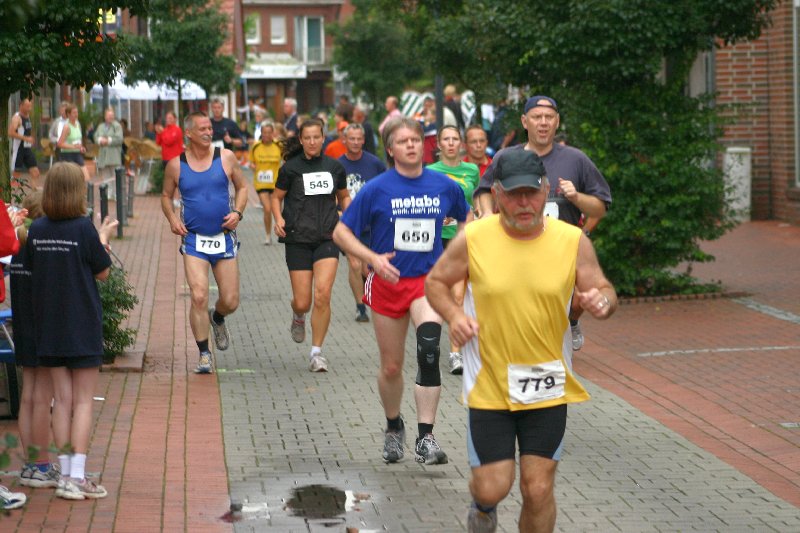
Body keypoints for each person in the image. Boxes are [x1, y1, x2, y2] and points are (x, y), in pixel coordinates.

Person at [425, 148, 618, 532]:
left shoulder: (572, 240)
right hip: (490, 384)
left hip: (547, 383)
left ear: (547, 190)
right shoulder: (474, 237)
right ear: (497, 194)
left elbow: (604, 289)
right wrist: (455, 316)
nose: (524, 202)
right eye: (514, 194)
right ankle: (483, 505)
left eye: (532, 192)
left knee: (538, 488)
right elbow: (436, 283)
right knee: (493, 486)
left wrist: (602, 302)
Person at [333, 117, 469, 465]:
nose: (410, 145)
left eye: (415, 139)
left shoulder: (444, 185)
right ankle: (394, 426)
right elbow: (341, 233)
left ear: (422, 145)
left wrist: (455, 257)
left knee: (429, 350)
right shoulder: (376, 189)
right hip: (389, 283)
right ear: (391, 150)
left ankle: (426, 437)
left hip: (428, 282)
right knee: (392, 367)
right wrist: (372, 258)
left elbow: (466, 220)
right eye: (402, 141)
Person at [474, 95, 612, 352]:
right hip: (516, 247)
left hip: (562, 251)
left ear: (557, 122)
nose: (543, 122)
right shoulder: (506, 157)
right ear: (524, 121)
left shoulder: (576, 159)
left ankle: (572, 320)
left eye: (549, 117)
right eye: (537, 117)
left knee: (578, 297)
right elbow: (483, 190)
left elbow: (600, 207)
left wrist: (577, 197)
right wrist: (486, 215)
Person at [26, 162, 118, 500]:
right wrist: (103, 239)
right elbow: (103, 273)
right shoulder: (83, 228)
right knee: (83, 401)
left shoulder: (37, 229)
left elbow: (33, 268)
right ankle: (77, 477)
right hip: (81, 322)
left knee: (61, 401)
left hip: (49, 324)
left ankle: (65, 474)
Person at [161, 111, 248, 373]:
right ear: (188, 133)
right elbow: (165, 196)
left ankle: (217, 317)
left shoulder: (226, 157)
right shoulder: (176, 165)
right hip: (194, 240)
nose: (209, 132)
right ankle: (204, 354)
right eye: (203, 129)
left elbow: (243, 187)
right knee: (198, 295)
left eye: (210, 128)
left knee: (230, 300)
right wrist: (172, 219)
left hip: (223, 238)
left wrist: (237, 213)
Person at [271, 118, 350, 372]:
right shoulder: (290, 169)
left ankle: (317, 353)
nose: (312, 142)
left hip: (327, 237)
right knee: (303, 301)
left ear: (323, 138)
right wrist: (278, 218)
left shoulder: (334, 167)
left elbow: (344, 196)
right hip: (298, 239)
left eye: (317, 137)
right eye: (307, 138)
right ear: (301, 140)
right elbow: (276, 197)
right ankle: (298, 314)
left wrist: (348, 219)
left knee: (323, 294)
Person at [10, 192, 61, 492]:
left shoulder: (17, 246)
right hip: (44, 325)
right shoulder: (42, 248)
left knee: (28, 395)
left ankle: (31, 463)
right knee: (43, 397)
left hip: (23, 324)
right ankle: (40, 464)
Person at [426, 125, 479, 375]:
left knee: (458, 296)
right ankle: (429, 343)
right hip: (435, 241)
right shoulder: (429, 172)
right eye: (445, 139)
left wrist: (474, 216)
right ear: (438, 144)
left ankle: (455, 354)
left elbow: (473, 201)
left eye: (454, 139)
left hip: (460, 240)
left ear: (461, 144)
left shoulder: (472, 170)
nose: (450, 143)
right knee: (436, 294)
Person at [337, 123, 386, 323]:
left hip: (371, 225)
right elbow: (332, 195)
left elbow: (384, 190)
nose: (356, 142)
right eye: (352, 139)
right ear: (344, 140)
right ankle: (360, 307)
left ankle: (370, 293)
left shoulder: (375, 164)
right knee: (355, 264)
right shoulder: (337, 166)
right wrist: (338, 212)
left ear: (364, 140)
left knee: (367, 269)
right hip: (348, 225)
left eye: (359, 139)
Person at [249, 121, 282, 245]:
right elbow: (251, 162)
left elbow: (286, 159)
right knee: (267, 209)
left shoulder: (278, 145)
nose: (267, 135)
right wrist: (253, 166)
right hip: (261, 183)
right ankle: (268, 236)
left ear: (273, 133)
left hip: (276, 183)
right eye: (264, 132)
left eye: (269, 132)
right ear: (261, 133)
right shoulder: (256, 146)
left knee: (277, 210)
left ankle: (279, 231)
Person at [9, 97, 41, 189]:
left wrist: (30, 139)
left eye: (30, 106)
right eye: (27, 106)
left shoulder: (28, 116)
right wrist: (26, 138)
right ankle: (5, 192)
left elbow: (26, 131)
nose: (29, 108)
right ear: (21, 106)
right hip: (19, 150)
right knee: (15, 176)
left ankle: (34, 189)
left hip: (27, 149)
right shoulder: (17, 118)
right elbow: (10, 132)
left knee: (35, 172)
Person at [57, 104, 90, 182]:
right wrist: (73, 146)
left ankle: (84, 190)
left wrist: (81, 147)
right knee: (71, 180)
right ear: (68, 114)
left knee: (86, 177)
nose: (76, 114)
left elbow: (78, 140)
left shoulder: (78, 124)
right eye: (74, 113)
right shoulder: (66, 127)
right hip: (67, 155)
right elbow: (60, 144)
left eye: (77, 112)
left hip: (77, 154)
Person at [93, 107, 124, 181]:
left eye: (112, 115)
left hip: (114, 158)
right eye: (109, 115)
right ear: (105, 116)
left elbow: (119, 139)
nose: (111, 117)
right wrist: (100, 140)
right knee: (106, 180)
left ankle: (115, 189)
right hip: (103, 158)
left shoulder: (117, 126)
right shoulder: (100, 126)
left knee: (116, 179)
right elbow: (95, 137)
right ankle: (107, 189)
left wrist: (108, 141)